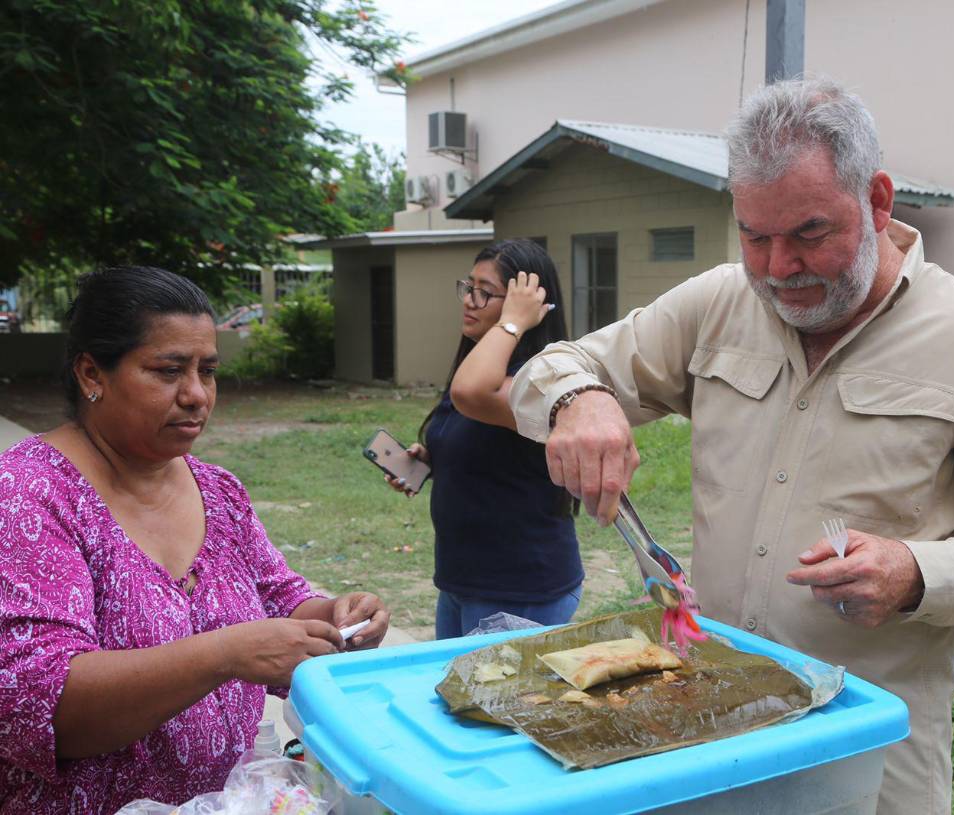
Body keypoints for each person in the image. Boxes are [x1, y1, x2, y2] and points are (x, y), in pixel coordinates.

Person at [507, 78, 954, 814]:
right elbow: (545, 369)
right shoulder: (718, 303)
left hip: (870, 748)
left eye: (810, 233)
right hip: (713, 732)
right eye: (754, 234)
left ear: (879, 200)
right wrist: (579, 397)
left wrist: (920, 570)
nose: (777, 267)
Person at [0, 267, 390, 814]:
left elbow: (279, 599)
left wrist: (338, 615)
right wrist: (225, 654)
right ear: (93, 372)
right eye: (167, 371)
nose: (196, 395)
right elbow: (43, 707)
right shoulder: (27, 495)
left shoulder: (217, 489)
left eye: (207, 371)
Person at [387, 239, 583, 639]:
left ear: (525, 305)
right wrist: (432, 459)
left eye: (485, 292)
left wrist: (512, 322)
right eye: (468, 286)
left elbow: (474, 395)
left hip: (519, 587)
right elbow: (490, 448)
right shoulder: (476, 367)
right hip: (463, 580)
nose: (470, 301)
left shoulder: (539, 380)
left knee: (491, 702)